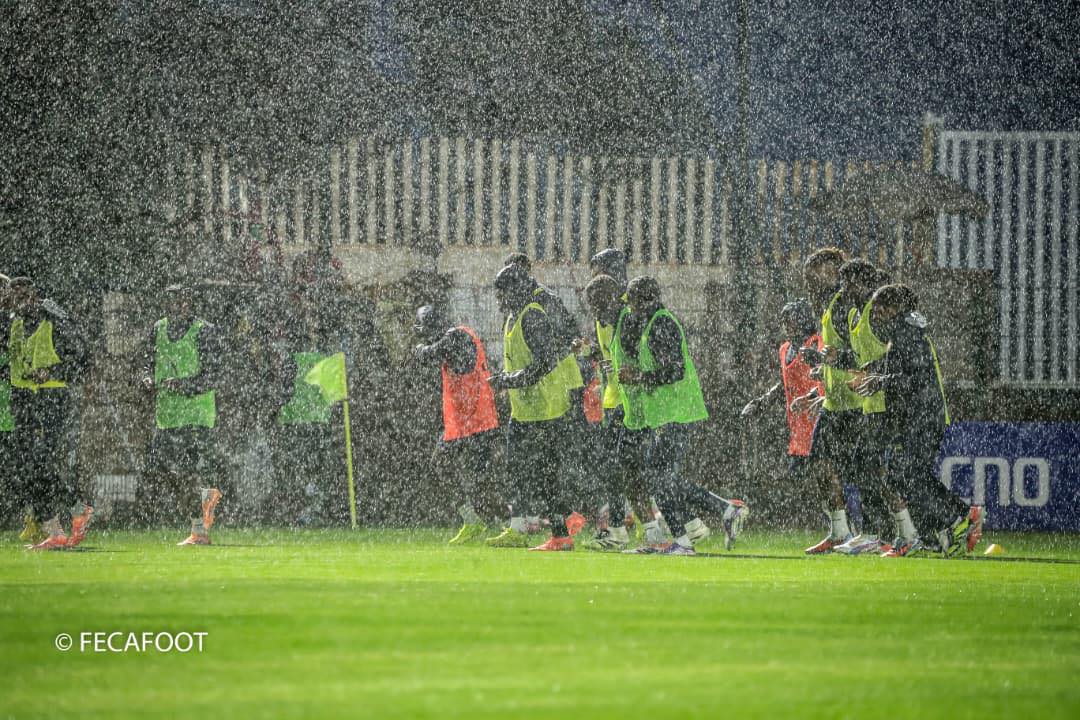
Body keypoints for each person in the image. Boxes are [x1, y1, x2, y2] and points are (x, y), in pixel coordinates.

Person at [852, 284, 982, 557]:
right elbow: (903, 366)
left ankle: (956, 520)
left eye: (880, 307)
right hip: (919, 415)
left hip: (922, 415)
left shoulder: (906, 331)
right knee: (906, 473)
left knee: (906, 474)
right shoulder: (907, 329)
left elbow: (915, 378)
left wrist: (881, 379)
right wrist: (875, 370)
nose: (876, 313)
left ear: (894, 307)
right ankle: (948, 525)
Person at [612, 276, 728, 555]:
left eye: (633, 303)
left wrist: (639, 376)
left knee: (659, 476)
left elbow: (675, 370)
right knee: (660, 476)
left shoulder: (661, 324)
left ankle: (708, 521)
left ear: (644, 301)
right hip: (666, 414)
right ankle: (695, 530)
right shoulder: (651, 323)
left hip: (677, 412)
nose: (630, 310)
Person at [485, 264, 578, 550]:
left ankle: (556, 528)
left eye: (502, 294)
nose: (499, 301)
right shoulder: (513, 317)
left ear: (516, 290)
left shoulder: (532, 316)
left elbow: (545, 362)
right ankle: (556, 527)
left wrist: (507, 381)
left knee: (541, 471)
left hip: (545, 408)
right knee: (525, 469)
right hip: (525, 410)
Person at [7, 276, 93, 550]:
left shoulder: (53, 319)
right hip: (22, 401)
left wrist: (53, 372)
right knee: (27, 468)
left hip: (52, 398)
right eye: (15, 294)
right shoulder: (14, 324)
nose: (20, 300)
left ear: (34, 294)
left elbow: (83, 359)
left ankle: (76, 509)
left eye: (25, 294)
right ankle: (55, 530)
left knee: (41, 461)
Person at [139, 283, 223, 546]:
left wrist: (185, 385)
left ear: (190, 303)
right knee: (164, 469)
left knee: (190, 470)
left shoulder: (204, 331)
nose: (177, 306)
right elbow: (144, 362)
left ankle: (199, 528)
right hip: (168, 415)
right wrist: (145, 378)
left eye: (182, 301)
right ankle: (207, 498)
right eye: (173, 301)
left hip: (196, 413)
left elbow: (215, 375)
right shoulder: (157, 329)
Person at [413, 304, 500, 545]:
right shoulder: (461, 334)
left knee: (478, 478)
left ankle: (517, 520)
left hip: (474, 420)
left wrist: (419, 349)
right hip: (467, 421)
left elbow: (428, 355)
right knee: (467, 472)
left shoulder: (454, 337)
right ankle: (478, 520)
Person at [792, 248, 858, 554]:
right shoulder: (830, 306)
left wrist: (832, 359)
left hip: (857, 401)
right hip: (835, 402)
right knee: (821, 465)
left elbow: (860, 354)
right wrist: (821, 370)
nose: (809, 283)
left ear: (832, 273)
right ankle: (840, 531)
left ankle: (897, 531)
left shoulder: (845, 306)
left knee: (869, 471)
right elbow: (837, 355)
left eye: (813, 276)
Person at [741, 298, 824, 514]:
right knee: (804, 476)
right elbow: (784, 382)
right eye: (784, 321)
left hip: (817, 419)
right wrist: (762, 401)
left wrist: (809, 397)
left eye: (791, 320)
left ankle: (842, 524)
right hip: (797, 425)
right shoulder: (785, 349)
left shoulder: (816, 344)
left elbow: (826, 378)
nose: (787, 326)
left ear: (803, 320)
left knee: (823, 475)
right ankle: (832, 522)